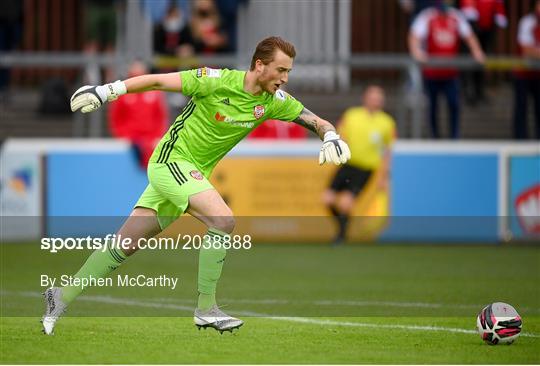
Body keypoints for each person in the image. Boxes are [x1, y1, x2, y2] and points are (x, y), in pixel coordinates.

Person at [42, 36, 351, 335]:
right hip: (170, 161)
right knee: (223, 219)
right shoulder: (215, 80)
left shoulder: (271, 102)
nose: (285, 78)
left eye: (288, 72)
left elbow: (315, 120)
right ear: (260, 65)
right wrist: (108, 90)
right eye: (281, 70)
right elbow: (158, 81)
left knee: (125, 244)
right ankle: (206, 308)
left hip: (189, 172)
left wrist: (330, 135)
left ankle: (60, 296)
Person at [322, 86, 396, 245]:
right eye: (372, 97)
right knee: (327, 199)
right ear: (365, 98)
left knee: (345, 203)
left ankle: (341, 236)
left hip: (365, 169)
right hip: (347, 165)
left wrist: (385, 175)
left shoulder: (387, 122)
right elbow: (341, 136)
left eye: (378, 98)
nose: (375, 101)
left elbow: (388, 151)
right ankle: (343, 226)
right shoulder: (352, 115)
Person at [408, 0, 485, 138]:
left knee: (454, 104)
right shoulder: (427, 16)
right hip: (431, 72)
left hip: (451, 73)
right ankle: (434, 136)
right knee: (432, 107)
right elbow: (414, 35)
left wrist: (477, 52)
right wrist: (416, 51)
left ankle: (454, 136)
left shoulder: (456, 17)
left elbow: (469, 36)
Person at [108, 61, 169, 168]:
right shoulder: (122, 95)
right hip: (131, 139)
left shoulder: (155, 93)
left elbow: (160, 117)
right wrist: (123, 136)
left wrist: (157, 136)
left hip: (151, 138)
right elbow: (116, 118)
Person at [460, 0, 507, 105]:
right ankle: (468, 91)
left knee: (481, 61)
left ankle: (479, 91)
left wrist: (499, 17)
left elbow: (499, 5)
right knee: (469, 60)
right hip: (472, 26)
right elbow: (467, 5)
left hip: (487, 27)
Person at [513, 0, 540, 140]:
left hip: (538, 75)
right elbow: (526, 50)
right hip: (523, 74)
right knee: (521, 109)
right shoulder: (527, 22)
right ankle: (519, 140)